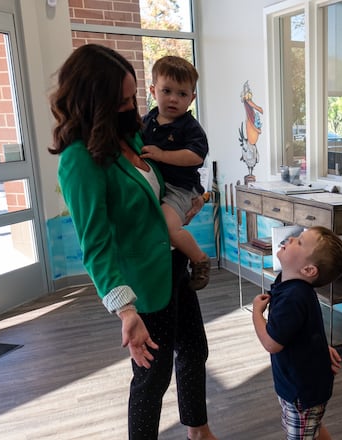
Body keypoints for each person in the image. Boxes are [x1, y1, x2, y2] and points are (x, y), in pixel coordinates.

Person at [49, 44, 217, 440]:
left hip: (172, 265)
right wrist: (126, 312)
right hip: (142, 286)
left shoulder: (131, 134)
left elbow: (157, 194)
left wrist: (189, 207)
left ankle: (199, 431)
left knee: (194, 351)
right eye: (122, 99)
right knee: (151, 380)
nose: (132, 105)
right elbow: (96, 244)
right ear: (95, 100)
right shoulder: (79, 159)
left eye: (133, 96)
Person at [252, 226, 342, 440]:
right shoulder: (287, 285)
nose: (292, 238)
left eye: (301, 242)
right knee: (311, 429)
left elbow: (271, 343)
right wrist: (320, 349)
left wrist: (256, 314)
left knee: (304, 431)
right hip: (298, 384)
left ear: (308, 270)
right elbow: (306, 329)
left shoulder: (293, 297)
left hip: (301, 391)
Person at [140, 55, 211, 290]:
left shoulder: (190, 127)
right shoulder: (147, 120)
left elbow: (196, 156)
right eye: (167, 91)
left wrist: (162, 155)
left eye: (182, 94)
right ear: (153, 90)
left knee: (168, 227)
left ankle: (199, 258)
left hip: (179, 188)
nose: (173, 99)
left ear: (192, 98)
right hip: (157, 186)